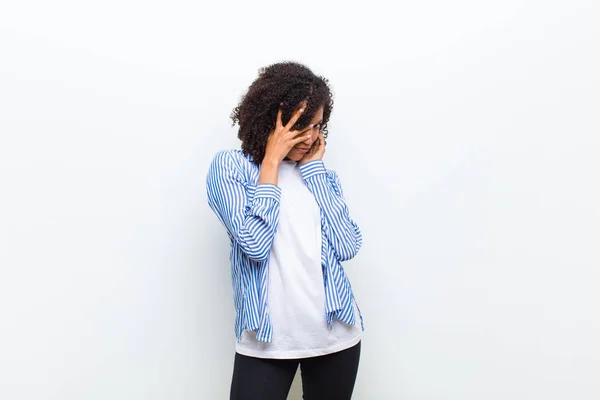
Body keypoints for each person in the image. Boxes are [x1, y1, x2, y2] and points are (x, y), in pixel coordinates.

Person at [206, 61, 364, 400]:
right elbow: (255, 244)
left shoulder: (317, 174)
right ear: (273, 121)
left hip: (336, 338)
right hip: (267, 342)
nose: (310, 137)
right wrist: (271, 164)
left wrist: (316, 173)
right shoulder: (231, 168)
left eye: (318, 126)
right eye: (300, 126)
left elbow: (348, 245)